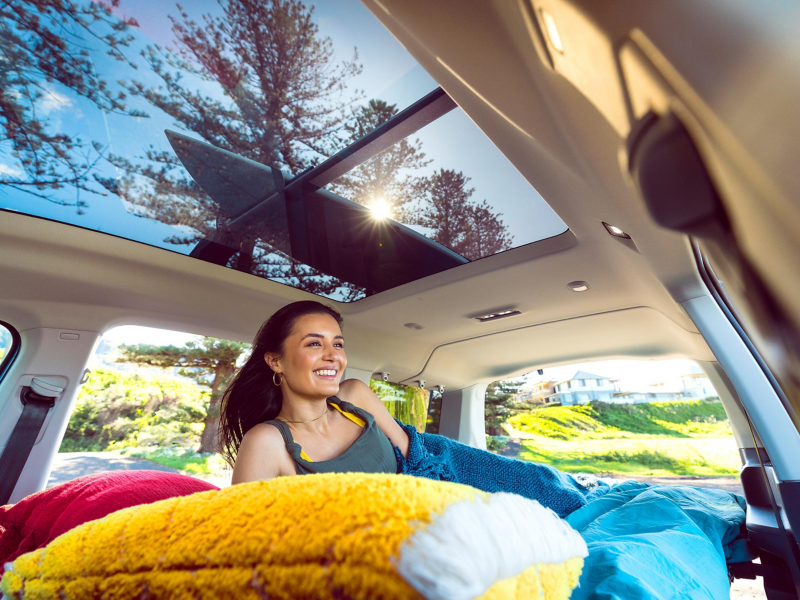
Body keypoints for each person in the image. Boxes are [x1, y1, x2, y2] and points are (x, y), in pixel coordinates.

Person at [222, 300, 410, 484]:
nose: (333, 355)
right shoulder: (265, 441)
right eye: (314, 343)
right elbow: (243, 515)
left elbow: (419, 461)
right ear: (275, 361)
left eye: (338, 344)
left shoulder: (356, 396)